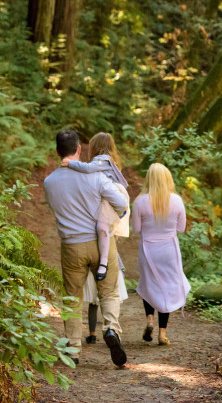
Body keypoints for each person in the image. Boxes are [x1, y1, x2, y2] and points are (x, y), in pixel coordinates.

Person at [43, 130, 128, 367]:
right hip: (101, 244)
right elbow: (121, 202)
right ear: (79, 149)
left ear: (57, 151)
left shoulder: (49, 183)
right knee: (108, 292)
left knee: (72, 298)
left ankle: (73, 349)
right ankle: (111, 330)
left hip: (71, 246)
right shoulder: (96, 176)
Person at [132, 163, 190, 346]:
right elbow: (181, 228)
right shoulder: (177, 201)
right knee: (167, 288)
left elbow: (136, 229)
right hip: (169, 251)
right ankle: (162, 334)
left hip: (148, 250)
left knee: (148, 285)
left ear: (149, 179)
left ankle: (150, 319)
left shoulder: (140, 201)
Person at [62, 132, 130, 281]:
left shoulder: (102, 160)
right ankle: (117, 266)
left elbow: (87, 168)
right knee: (104, 235)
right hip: (110, 198)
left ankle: (105, 264)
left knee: (102, 228)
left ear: (96, 147)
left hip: (112, 199)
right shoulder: (108, 161)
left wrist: (70, 163)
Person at [82, 266, 128, 344]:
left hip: (93, 268)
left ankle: (92, 334)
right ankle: (111, 330)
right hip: (111, 268)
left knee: (93, 303)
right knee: (111, 300)